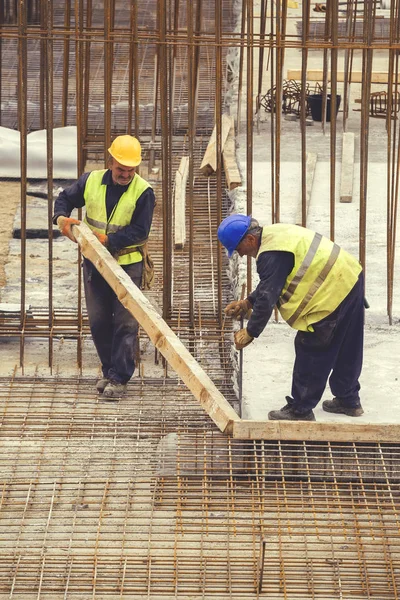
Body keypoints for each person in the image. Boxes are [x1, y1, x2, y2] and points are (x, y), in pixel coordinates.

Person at [218, 214, 365, 421]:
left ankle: (300, 409)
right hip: (349, 278)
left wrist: (251, 332)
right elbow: (274, 279)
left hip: (331, 292)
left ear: (250, 240)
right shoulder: (275, 236)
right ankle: (348, 399)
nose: (241, 256)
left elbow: (269, 295)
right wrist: (248, 302)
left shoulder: (270, 255)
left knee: (311, 346)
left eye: (239, 250)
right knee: (347, 345)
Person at [53, 135, 156, 399]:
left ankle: (120, 378)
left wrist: (109, 240)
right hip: (94, 262)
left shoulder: (143, 192)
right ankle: (109, 371)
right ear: (110, 162)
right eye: (121, 169)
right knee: (99, 321)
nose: (126, 174)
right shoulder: (91, 180)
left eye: (131, 170)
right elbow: (64, 198)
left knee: (125, 323)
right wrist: (61, 218)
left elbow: (140, 231)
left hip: (127, 265)